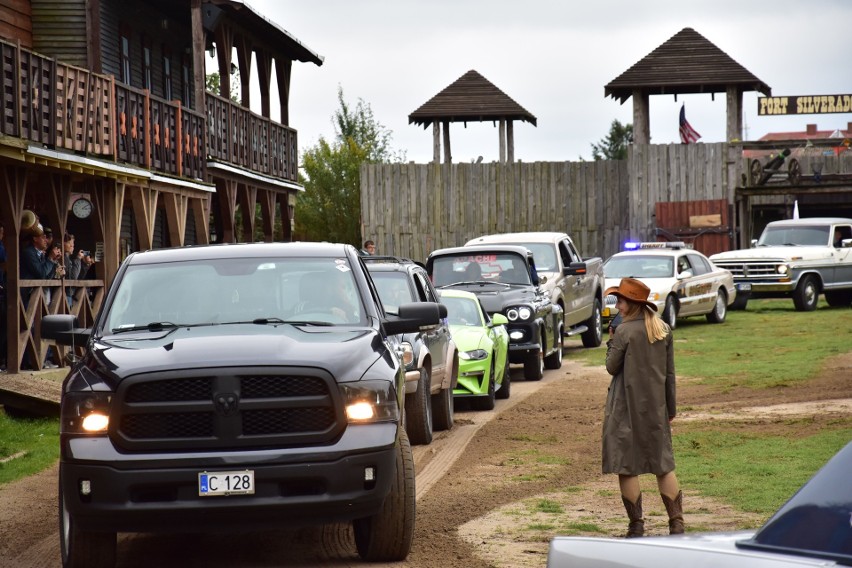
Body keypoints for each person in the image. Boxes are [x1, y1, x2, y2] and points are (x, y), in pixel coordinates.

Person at [602, 277, 683, 538]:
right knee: (663, 465)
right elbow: (670, 375)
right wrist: (670, 409)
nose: (617, 306)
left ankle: (636, 526)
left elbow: (611, 367)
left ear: (632, 303)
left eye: (621, 300)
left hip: (625, 409)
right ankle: (676, 523)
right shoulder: (663, 329)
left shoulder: (624, 332)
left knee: (627, 465)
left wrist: (611, 341)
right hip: (656, 408)